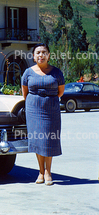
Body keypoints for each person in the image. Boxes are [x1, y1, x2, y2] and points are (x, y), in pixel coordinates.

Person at [21, 43, 65, 186]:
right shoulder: (28, 72)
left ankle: (48, 171)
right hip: (33, 108)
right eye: (38, 52)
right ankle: (40, 171)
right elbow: (25, 93)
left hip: (51, 108)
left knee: (48, 139)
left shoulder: (56, 72)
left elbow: (60, 92)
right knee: (38, 140)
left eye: (44, 52)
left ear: (49, 55)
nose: (41, 55)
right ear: (33, 56)